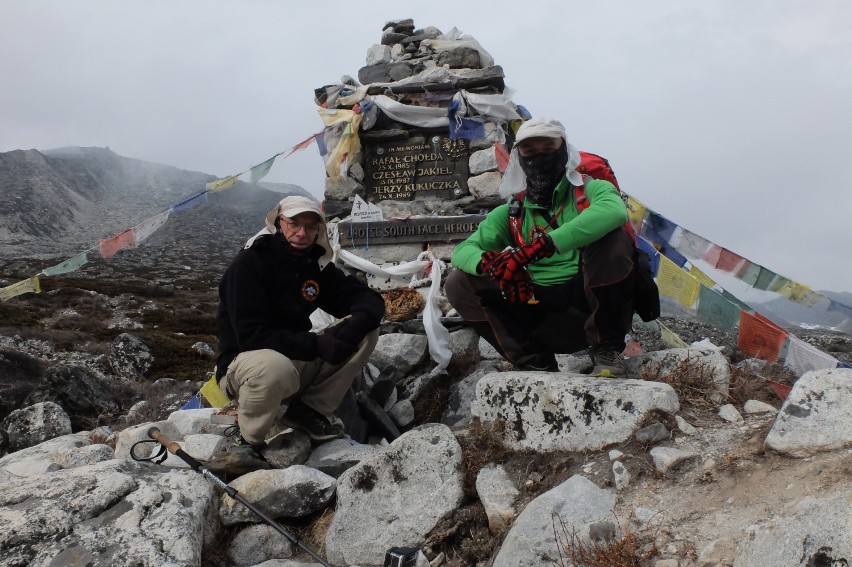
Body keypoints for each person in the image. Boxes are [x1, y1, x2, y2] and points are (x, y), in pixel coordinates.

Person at [446, 117, 652, 376]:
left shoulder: (591, 190)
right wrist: (494, 263)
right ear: (519, 157)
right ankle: (533, 361)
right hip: (536, 309)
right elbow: (463, 251)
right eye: (529, 151)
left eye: (548, 148)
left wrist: (544, 246)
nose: (539, 157)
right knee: (458, 282)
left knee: (613, 240)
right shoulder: (511, 212)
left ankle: (607, 349)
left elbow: (614, 212)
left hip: (587, 304)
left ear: (564, 149)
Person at [216, 195, 385, 450]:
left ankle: (309, 412)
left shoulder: (313, 265)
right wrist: (317, 344)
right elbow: (252, 337)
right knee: (274, 366)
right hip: (246, 368)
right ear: (278, 223)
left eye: (310, 226)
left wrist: (360, 320)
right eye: (294, 223)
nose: (302, 233)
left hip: (293, 363)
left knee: (366, 330)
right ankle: (246, 441)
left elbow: (363, 297)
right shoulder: (250, 264)